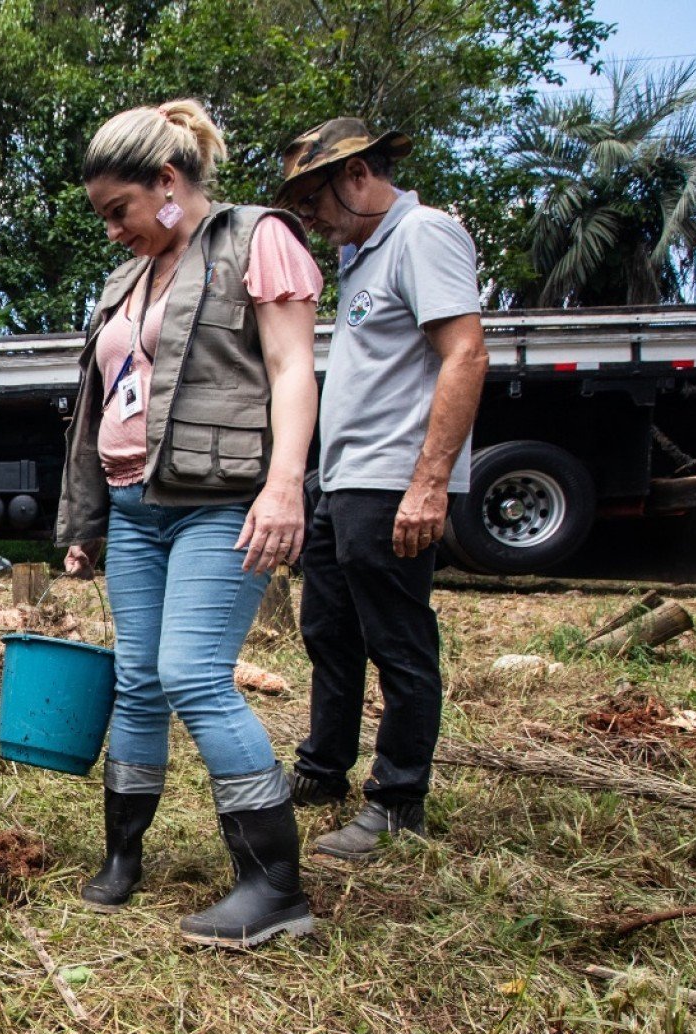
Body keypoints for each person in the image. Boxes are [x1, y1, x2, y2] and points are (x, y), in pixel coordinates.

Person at [53, 99, 323, 948]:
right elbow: (103, 404)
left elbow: (290, 368)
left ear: (167, 182)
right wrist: (88, 517)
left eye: (118, 211)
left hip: (218, 502)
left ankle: (275, 885)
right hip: (135, 509)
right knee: (138, 678)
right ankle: (124, 855)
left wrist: (284, 486)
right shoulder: (128, 279)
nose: (112, 231)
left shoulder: (256, 238)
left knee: (192, 675)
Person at [271, 118, 488, 860]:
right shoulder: (363, 256)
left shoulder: (423, 233)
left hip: (392, 480)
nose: (310, 218)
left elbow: (465, 355)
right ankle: (323, 770)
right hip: (342, 479)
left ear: (358, 174)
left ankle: (397, 800)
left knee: (398, 640)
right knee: (328, 632)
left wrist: (429, 484)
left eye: (315, 199)